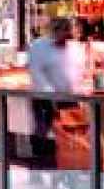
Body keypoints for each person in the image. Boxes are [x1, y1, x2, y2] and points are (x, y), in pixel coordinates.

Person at [27, 17, 78, 178]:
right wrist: (49, 94)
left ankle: (66, 165)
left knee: (69, 132)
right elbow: (36, 72)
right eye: (64, 34)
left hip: (68, 96)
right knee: (42, 131)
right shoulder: (38, 47)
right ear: (54, 31)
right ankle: (38, 168)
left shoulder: (74, 48)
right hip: (44, 96)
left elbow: (76, 70)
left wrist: (77, 89)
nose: (67, 39)